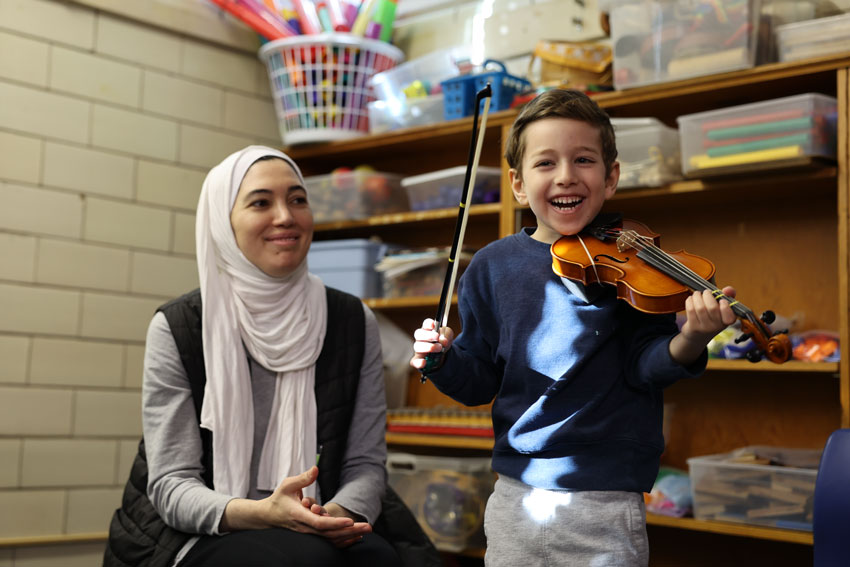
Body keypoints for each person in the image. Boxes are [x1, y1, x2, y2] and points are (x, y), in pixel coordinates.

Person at [410, 89, 737, 567]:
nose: (566, 176)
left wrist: (690, 338)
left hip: (605, 497)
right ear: (519, 185)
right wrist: (441, 357)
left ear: (611, 178)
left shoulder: (637, 262)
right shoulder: (490, 267)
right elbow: (479, 380)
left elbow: (646, 366)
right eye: (546, 164)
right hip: (516, 495)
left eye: (583, 160)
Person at [105, 145, 440, 567]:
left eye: (298, 199)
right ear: (223, 222)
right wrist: (264, 514)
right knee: (300, 560)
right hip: (198, 531)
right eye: (261, 202)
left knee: (376, 559)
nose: (286, 216)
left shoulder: (353, 320)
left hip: (319, 520)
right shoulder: (178, 326)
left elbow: (365, 464)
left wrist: (329, 517)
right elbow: (173, 486)